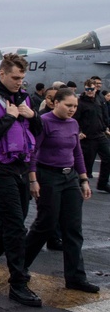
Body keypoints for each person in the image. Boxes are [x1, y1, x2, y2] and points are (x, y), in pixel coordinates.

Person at [0, 53, 43, 307]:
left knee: (11, 224)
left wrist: (31, 116)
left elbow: (37, 133)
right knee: (15, 226)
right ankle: (18, 282)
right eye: (15, 78)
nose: (19, 83)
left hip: (20, 168)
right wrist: (9, 117)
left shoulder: (22, 98)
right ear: (2, 74)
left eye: (22, 79)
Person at [23, 88, 100, 293]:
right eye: (68, 105)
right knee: (45, 225)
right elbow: (33, 151)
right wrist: (33, 179)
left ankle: (75, 277)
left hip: (70, 178)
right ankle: (20, 267)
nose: (72, 109)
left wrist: (83, 179)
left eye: (75, 106)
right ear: (55, 102)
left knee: (73, 229)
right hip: (48, 176)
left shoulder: (73, 123)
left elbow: (77, 152)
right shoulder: (45, 122)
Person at [76, 78, 110, 194]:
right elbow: (75, 119)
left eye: (92, 89)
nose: (90, 91)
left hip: (100, 135)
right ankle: (83, 183)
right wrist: (79, 131)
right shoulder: (80, 102)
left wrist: (106, 127)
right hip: (87, 137)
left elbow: (104, 115)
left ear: (96, 89)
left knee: (108, 157)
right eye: (88, 89)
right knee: (87, 163)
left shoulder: (99, 100)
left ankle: (103, 183)